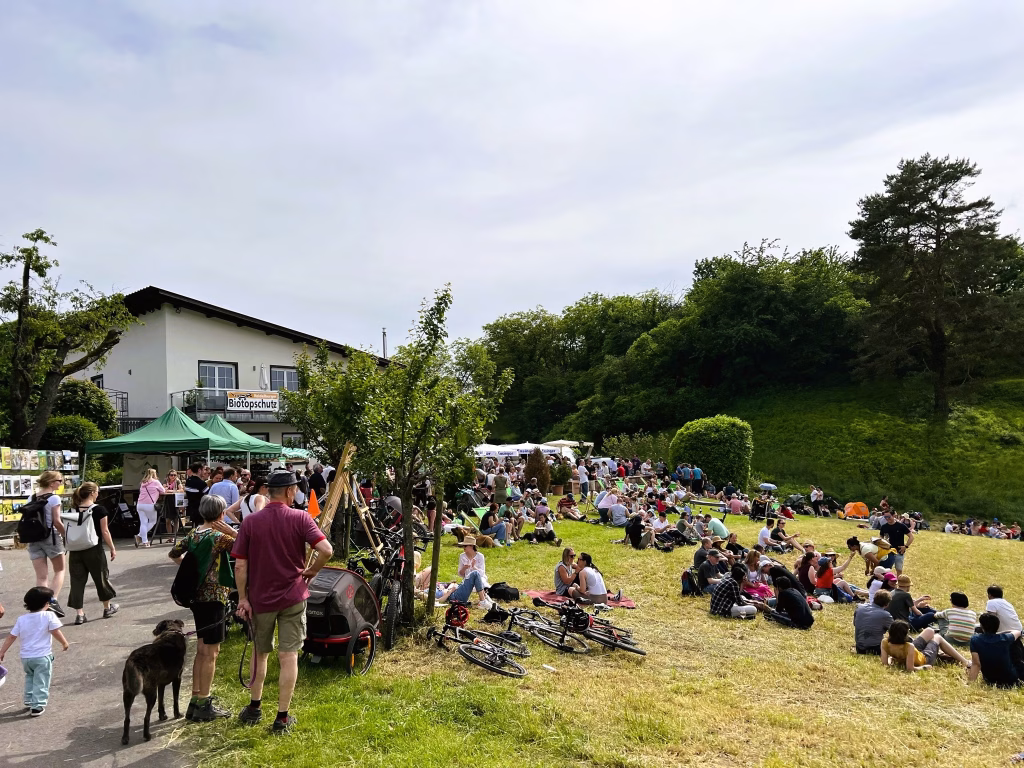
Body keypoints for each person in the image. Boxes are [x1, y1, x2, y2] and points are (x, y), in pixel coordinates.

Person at [233, 470, 333, 733]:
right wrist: (312, 571)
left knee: (260, 653)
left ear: (268, 490)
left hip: (260, 598)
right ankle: (282, 718)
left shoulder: (250, 522)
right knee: (289, 656)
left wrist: (243, 598)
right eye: (295, 489)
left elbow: (240, 565)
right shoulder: (301, 517)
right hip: (293, 596)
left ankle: (254, 708)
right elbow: (326, 550)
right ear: (289, 491)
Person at [170, 495, 237, 722]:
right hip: (214, 597)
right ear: (221, 513)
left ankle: (195, 698)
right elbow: (249, 548)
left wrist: (192, 570)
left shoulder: (194, 533)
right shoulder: (220, 537)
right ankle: (204, 703)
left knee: (201, 649)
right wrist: (234, 532)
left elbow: (174, 553)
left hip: (196, 597)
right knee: (211, 652)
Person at [0, 587, 70, 716]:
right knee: (42, 680)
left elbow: (11, 636)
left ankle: (29, 699)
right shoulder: (49, 615)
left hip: (26, 658)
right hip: (42, 656)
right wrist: (64, 643)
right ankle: (37, 706)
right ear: (46, 604)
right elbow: (55, 631)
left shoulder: (22, 619)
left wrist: (2, 651)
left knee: (30, 677)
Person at [62, 482, 118, 625]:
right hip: (93, 549)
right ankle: (107, 608)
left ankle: (79, 614)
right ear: (92, 493)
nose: (98, 494)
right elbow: (105, 531)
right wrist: (112, 548)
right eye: (97, 491)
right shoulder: (99, 510)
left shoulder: (72, 510)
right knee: (101, 578)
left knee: (76, 581)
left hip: (75, 550)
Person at [25, 470, 68, 617]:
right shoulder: (54, 498)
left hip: (33, 539)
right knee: (60, 570)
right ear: (51, 482)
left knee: (41, 576)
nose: (60, 483)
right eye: (59, 481)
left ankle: (41, 605)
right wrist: (66, 535)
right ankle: (52, 601)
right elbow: (57, 522)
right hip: (51, 538)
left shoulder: (31, 497)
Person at [881, 620, 970, 672]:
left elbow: (885, 664)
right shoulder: (909, 646)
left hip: (912, 653)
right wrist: (924, 667)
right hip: (924, 659)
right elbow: (910, 669)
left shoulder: (884, 642)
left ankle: (941, 653)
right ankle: (965, 662)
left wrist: (891, 659)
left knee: (929, 630)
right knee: (937, 637)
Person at [969, 612, 1022, 688]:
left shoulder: (975, 640)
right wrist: (999, 633)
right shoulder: (1005, 638)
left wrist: (970, 684)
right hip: (1011, 680)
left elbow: (976, 664)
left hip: (990, 680)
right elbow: (1018, 632)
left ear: (981, 626)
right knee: (1016, 641)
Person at [854, 590, 894, 654]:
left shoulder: (860, 608)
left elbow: (855, 624)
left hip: (859, 647)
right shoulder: (885, 615)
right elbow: (895, 633)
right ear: (887, 604)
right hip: (875, 648)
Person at [878, 510, 914, 575]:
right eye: (885, 517)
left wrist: (905, 546)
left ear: (893, 516)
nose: (887, 518)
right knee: (885, 570)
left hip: (899, 551)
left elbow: (911, 537)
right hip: (887, 551)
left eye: (889, 517)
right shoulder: (884, 527)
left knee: (899, 570)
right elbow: (881, 538)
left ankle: (899, 581)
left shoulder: (901, 526)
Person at [136, 468, 164, 548]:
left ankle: (144, 541)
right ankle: (139, 536)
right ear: (154, 474)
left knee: (143, 523)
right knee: (152, 521)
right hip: (149, 505)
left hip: (140, 504)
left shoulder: (143, 482)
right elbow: (163, 491)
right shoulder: (156, 482)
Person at [185, 462, 210, 527]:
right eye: (204, 469)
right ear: (199, 470)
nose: (205, 472)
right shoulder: (202, 484)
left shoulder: (188, 481)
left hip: (191, 509)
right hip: (201, 510)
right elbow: (208, 497)